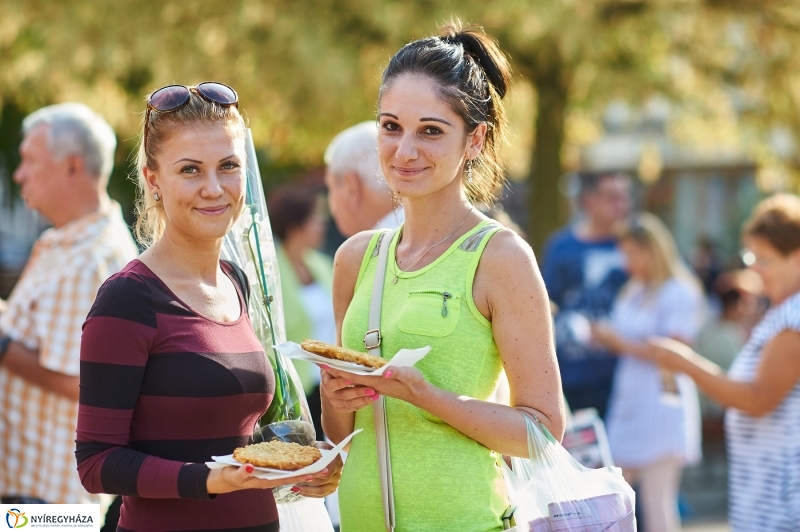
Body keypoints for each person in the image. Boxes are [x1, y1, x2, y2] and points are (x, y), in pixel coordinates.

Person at [320, 24, 565, 532]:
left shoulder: (500, 257)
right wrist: (333, 398)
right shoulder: (355, 259)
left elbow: (543, 433)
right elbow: (342, 434)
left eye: (430, 131)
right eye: (391, 127)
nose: (405, 151)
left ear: (474, 140)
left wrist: (425, 396)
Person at [75, 82, 341, 531]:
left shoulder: (237, 282)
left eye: (228, 166)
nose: (214, 188)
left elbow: (234, 433)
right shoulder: (128, 298)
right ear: (153, 179)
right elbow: (96, 463)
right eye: (191, 170)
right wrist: (209, 480)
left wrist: (306, 464)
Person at [0, 103, 138, 504]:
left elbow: (83, 384)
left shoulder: (90, 260)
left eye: (29, 160)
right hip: (29, 488)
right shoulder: (62, 243)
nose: (19, 173)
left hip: (54, 503)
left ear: (72, 167)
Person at [648, 194, 800, 532]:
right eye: (752, 257)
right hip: (767, 494)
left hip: (782, 501)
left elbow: (756, 398)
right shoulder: (783, 311)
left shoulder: (794, 318)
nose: (755, 269)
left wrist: (685, 362)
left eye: (766, 259)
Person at [591, 212, 704, 532]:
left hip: (660, 401)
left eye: (632, 253)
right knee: (616, 496)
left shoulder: (678, 291)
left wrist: (619, 342)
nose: (627, 261)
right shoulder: (634, 289)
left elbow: (675, 352)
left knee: (657, 501)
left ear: (651, 251)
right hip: (630, 398)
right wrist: (606, 338)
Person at [542, 171, 632, 419]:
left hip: (623, 379)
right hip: (570, 377)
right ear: (588, 201)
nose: (622, 205)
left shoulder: (636, 247)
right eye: (613, 197)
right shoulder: (561, 247)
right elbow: (545, 304)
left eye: (625, 197)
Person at [268, 182, 334, 439]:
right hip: (293, 390)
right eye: (314, 217)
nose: (322, 224)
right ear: (294, 223)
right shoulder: (269, 271)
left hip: (328, 384)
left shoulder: (323, 265)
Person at [323, 121, 403, 237]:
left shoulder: (377, 251)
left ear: (352, 189)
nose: (331, 205)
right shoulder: (426, 235)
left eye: (330, 188)